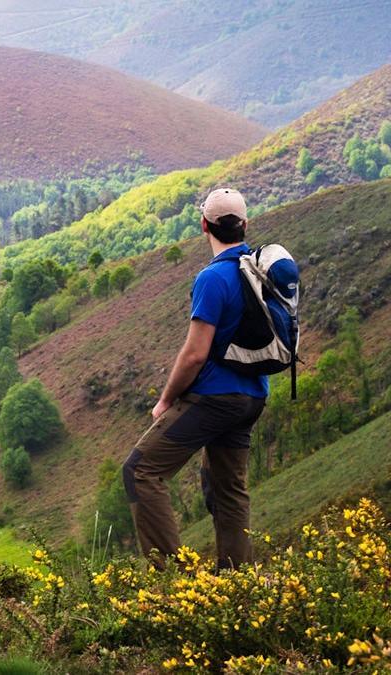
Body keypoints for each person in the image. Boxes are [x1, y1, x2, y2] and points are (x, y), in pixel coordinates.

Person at [122, 188, 267, 571]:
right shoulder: (259, 270)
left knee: (140, 471)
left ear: (204, 225)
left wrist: (166, 399)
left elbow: (195, 354)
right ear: (245, 225)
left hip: (215, 398)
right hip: (253, 396)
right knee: (229, 490)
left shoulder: (213, 278)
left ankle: (176, 582)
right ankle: (238, 582)